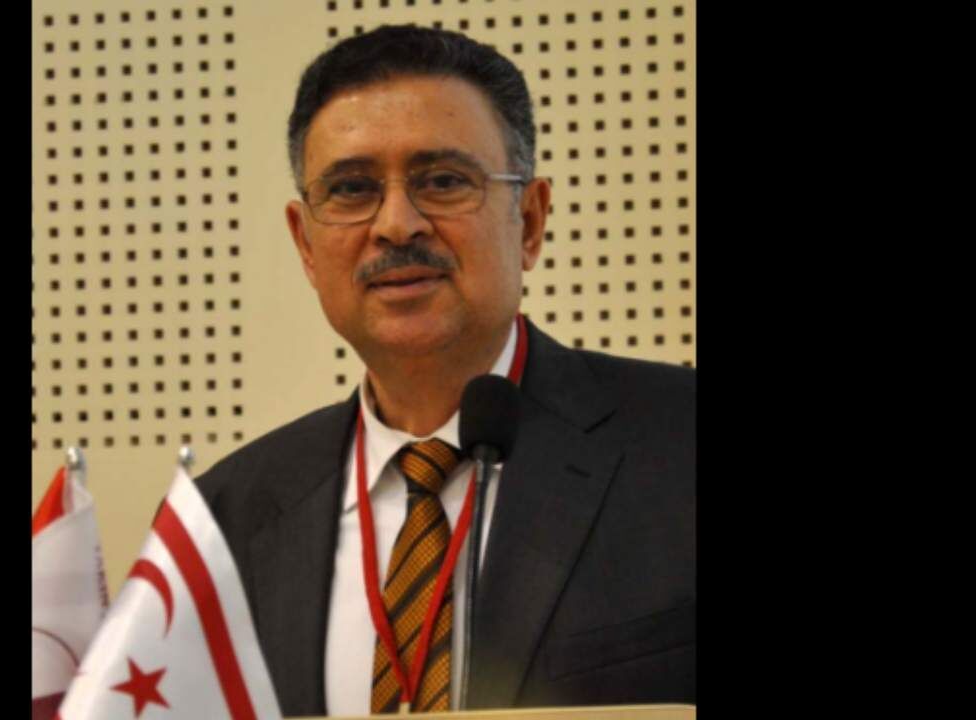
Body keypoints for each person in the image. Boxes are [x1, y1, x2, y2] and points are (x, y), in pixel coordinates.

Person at [196, 25, 695, 716]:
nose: (397, 225)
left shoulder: (681, 446)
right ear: (306, 244)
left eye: (443, 181)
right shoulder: (223, 520)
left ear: (529, 221)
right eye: (351, 189)